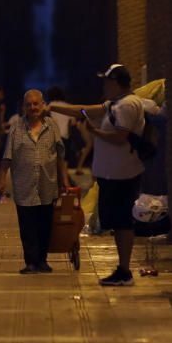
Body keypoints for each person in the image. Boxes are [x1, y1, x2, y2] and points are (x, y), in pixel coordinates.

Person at [49, 64, 146, 286]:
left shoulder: (127, 105)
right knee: (117, 221)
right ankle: (122, 269)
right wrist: (54, 108)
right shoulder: (113, 104)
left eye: (107, 81)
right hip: (112, 174)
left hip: (122, 174)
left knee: (122, 222)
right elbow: (84, 110)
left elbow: (121, 137)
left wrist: (95, 133)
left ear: (116, 83)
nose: (103, 85)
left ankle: (124, 271)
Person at [0, 90, 69, 274]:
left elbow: (60, 155)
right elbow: (7, 156)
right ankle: (30, 262)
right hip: (24, 184)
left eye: (36, 104)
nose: (33, 108)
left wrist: (65, 179)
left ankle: (42, 261)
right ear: (23, 107)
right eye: (28, 104)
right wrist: (1, 179)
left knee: (45, 224)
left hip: (48, 183)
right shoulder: (16, 127)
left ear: (43, 104)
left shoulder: (52, 126)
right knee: (27, 225)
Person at [47, 86, 75, 167]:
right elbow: (73, 123)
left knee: (53, 161)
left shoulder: (49, 106)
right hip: (65, 137)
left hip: (53, 137)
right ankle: (65, 178)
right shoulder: (69, 106)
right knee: (65, 160)